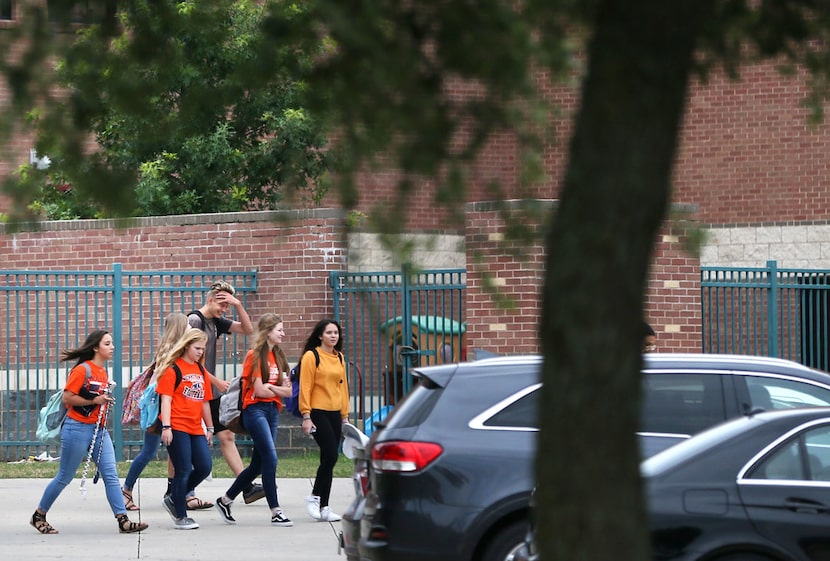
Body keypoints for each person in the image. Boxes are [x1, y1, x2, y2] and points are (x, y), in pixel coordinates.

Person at [30, 330, 149, 535]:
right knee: (64, 476)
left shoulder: (103, 372)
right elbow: (68, 398)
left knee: (111, 475)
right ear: (96, 347)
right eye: (107, 343)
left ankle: (123, 520)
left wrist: (103, 402)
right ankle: (38, 515)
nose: (112, 347)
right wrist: (95, 400)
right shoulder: (82, 370)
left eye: (112, 343)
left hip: (99, 430)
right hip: (76, 428)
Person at [121, 312, 211, 511]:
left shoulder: (179, 350)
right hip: (163, 409)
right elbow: (162, 382)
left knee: (180, 457)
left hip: (172, 409)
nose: (190, 327)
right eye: (187, 324)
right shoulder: (171, 351)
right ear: (180, 327)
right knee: (149, 452)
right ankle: (126, 490)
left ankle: (184, 494)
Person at [187, 280, 264, 504]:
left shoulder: (216, 322)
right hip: (196, 389)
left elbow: (248, 330)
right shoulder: (195, 320)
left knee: (227, 435)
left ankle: (246, 486)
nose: (224, 310)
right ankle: (177, 490)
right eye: (222, 305)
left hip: (209, 390)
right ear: (210, 300)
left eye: (227, 307)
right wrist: (215, 381)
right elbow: (188, 360)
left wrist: (238, 305)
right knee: (189, 439)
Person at [214, 313, 294, 527]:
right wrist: (274, 390)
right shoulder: (255, 355)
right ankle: (276, 511)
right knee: (271, 458)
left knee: (258, 464)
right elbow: (258, 390)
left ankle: (225, 501)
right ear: (268, 331)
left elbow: (288, 391)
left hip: (272, 411)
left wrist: (273, 389)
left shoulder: (278, 355)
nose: (283, 334)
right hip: (254, 411)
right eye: (279, 330)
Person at [157, 328, 214, 530]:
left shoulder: (200, 370)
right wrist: (166, 426)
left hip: (195, 427)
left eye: (202, 348)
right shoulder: (173, 369)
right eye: (197, 348)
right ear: (186, 346)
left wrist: (210, 427)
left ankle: (176, 497)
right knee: (182, 469)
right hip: (177, 425)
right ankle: (181, 516)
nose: (200, 352)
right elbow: (166, 399)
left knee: (204, 466)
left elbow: (205, 401)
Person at [299, 319, 349, 522]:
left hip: (335, 413)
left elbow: (343, 388)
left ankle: (324, 506)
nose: (333, 336)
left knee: (330, 459)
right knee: (329, 454)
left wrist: (345, 417)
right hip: (317, 411)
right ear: (320, 335)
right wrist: (306, 415)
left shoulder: (340, 357)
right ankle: (314, 497)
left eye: (336, 332)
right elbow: (306, 386)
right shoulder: (312, 356)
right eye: (329, 333)